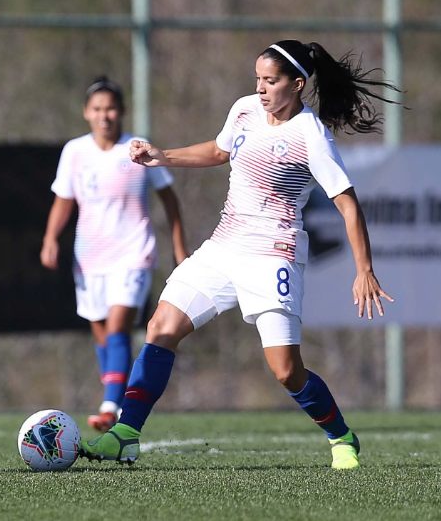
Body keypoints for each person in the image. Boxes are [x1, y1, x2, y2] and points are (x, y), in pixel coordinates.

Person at [80, 40, 401, 470]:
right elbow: (219, 151)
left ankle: (341, 436)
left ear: (297, 84)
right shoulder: (245, 109)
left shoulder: (311, 134)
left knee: (286, 370)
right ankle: (125, 435)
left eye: (271, 80)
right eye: (258, 79)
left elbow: (347, 204)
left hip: (273, 256)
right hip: (224, 246)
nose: (261, 88)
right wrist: (162, 156)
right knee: (161, 327)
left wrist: (364, 270)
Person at [41, 76, 188, 433]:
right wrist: (50, 238)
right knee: (102, 332)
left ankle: (109, 406)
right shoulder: (74, 151)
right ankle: (117, 396)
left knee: (119, 324)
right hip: (89, 256)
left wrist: (180, 247)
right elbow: (64, 199)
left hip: (134, 252)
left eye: (110, 108)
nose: (104, 115)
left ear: (121, 112)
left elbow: (169, 198)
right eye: (97, 108)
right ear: (86, 113)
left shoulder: (136, 149)